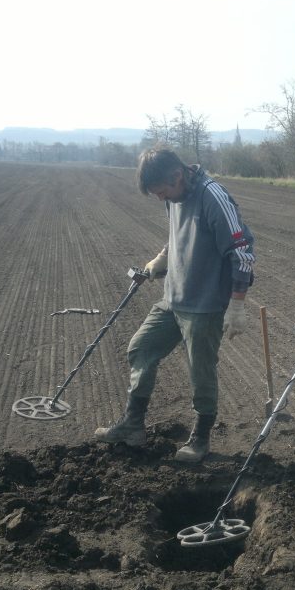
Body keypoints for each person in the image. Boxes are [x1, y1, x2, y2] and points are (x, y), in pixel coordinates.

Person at [94, 146, 256, 463]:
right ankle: (133, 424)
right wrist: (162, 258)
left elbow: (242, 251)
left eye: (162, 191)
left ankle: (200, 438)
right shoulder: (174, 197)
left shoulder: (213, 197)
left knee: (201, 372)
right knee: (140, 348)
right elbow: (177, 235)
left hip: (205, 305)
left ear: (178, 175)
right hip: (173, 299)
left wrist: (237, 304)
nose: (160, 198)